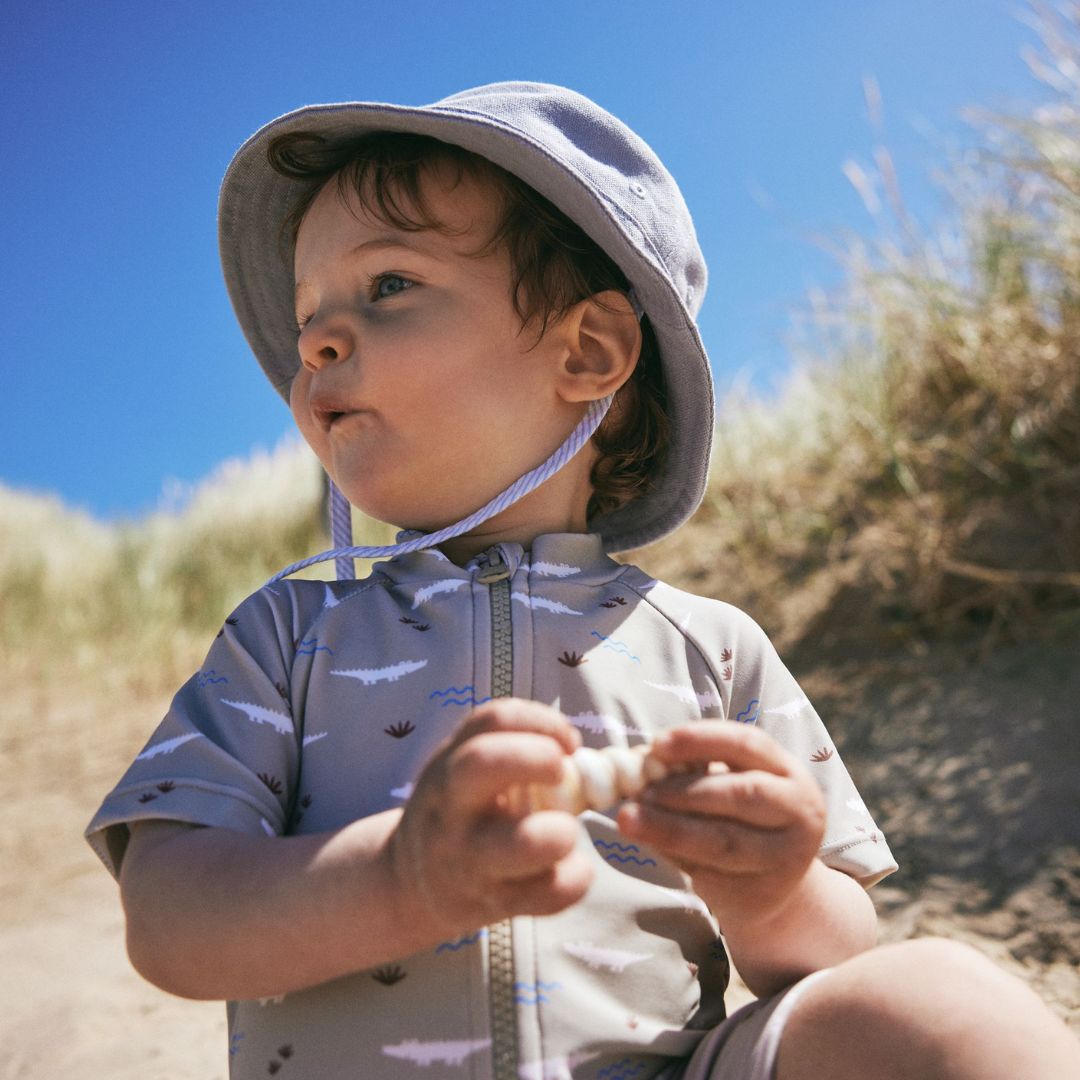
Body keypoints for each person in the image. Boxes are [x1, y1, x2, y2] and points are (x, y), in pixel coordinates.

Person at [86, 83, 1080, 1080]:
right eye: (310, 316)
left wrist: (773, 893)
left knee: (939, 1003)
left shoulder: (711, 646)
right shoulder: (288, 633)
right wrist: (401, 880)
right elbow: (169, 918)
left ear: (588, 351)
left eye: (387, 285)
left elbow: (829, 956)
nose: (316, 342)